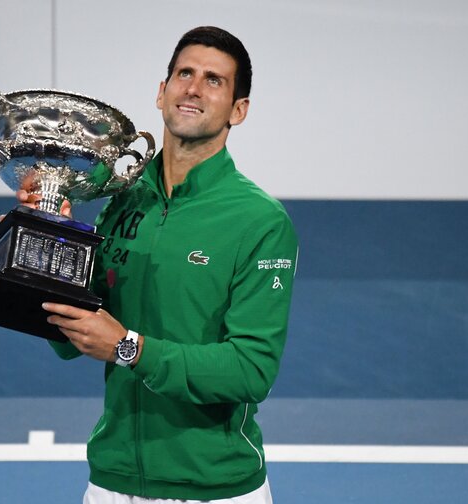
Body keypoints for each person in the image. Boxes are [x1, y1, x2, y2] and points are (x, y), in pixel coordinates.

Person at [21, 26, 299, 503]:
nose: (193, 87)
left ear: (239, 110)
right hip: (113, 480)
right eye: (184, 73)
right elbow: (71, 341)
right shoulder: (122, 202)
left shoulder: (261, 222)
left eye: (214, 80)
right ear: (161, 91)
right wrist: (48, 244)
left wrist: (130, 348)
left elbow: (251, 370)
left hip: (215, 487)